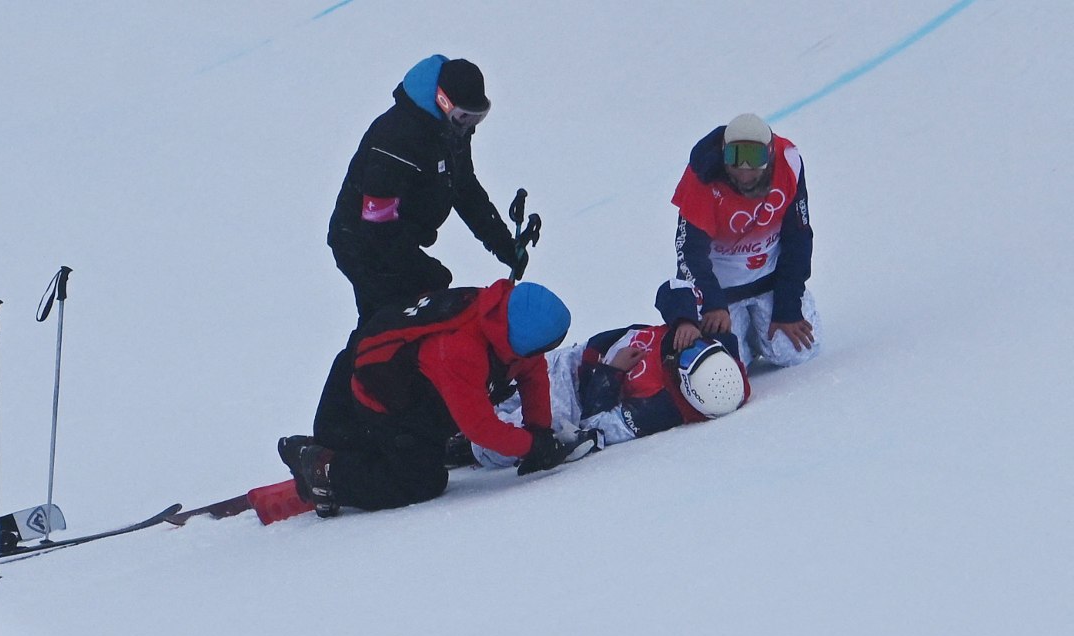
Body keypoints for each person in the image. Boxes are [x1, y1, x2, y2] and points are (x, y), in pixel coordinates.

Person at [315, 54, 528, 451]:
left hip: (399, 239)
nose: (469, 127)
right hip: (362, 242)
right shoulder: (397, 139)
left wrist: (503, 244)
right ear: (443, 102)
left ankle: (406, 414)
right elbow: (376, 221)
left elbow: (465, 189)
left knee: (413, 323)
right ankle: (338, 429)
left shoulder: (449, 132)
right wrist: (425, 272)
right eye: (464, 117)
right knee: (381, 329)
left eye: (476, 119)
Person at [280, 280, 586, 518]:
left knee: (429, 445)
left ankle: (355, 450)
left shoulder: (502, 318)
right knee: (421, 481)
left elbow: (532, 371)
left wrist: (539, 431)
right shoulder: (461, 350)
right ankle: (324, 468)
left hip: (403, 389)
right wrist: (532, 447)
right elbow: (480, 427)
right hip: (374, 401)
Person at [656, 113, 820, 369]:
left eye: (754, 159)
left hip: (769, 281)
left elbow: (798, 237)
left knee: (795, 352)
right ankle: (744, 335)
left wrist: (788, 306)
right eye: (735, 157)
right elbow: (689, 253)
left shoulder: (789, 163)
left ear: (770, 153)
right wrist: (712, 303)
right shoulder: (702, 180)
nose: (744, 171)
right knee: (728, 368)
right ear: (723, 152)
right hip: (721, 293)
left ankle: (757, 328)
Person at [462, 324, 750, 468]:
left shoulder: (660, 409)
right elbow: (672, 291)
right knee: (485, 376)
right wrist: (686, 320)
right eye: (696, 348)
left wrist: (611, 371)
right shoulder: (697, 339)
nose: (682, 349)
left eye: (686, 360)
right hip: (570, 360)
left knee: (491, 445)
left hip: (569, 402)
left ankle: (463, 446)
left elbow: (597, 423)